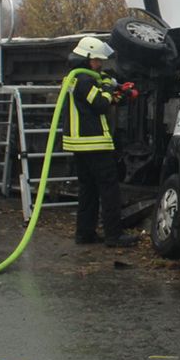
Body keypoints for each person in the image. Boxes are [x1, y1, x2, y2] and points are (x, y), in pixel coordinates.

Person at [64, 38, 137, 247]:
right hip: (93, 143)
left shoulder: (73, 78)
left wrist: (119, 94)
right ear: (87, 58)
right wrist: (106, 86)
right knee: (109, 189)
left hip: (80, 145)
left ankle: (84, 234)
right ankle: (114, 236)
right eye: (97, 61)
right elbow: (100, 103)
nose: (99, 64)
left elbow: (97, 101)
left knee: (88, 190)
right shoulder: (85, 80)